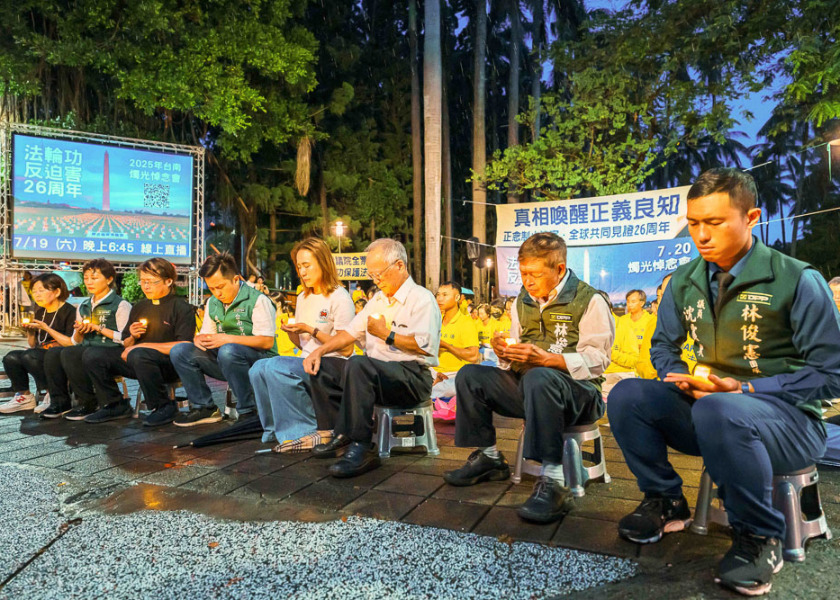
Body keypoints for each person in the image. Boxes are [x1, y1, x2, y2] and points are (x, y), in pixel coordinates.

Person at [608, 168, 839, 597]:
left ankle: (759, 537)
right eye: (694, 223)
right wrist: (678, 379)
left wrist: (747, 390)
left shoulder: (795, 280)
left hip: (790, 424)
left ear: (751, 218)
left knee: (722, 407)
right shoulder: (685, 280)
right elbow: (663, 346)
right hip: (711, 410)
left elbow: (832, 374)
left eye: (714, 222)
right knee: (627, 395)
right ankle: (664, 498)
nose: (701, 235)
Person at [443, 232, 614, 524]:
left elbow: (598, 361)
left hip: (580, 394)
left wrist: (550, 360)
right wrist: (504, 352)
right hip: (533, 387)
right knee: (471, 375)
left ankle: (554, 480)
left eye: (534, 274)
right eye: (522, 273)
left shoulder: (590, 300)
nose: (527, 281)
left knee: (540, 377)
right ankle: (489, 457)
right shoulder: (523, 300)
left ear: (559, 269)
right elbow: (516, 348)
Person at [302, 238, 441, 478]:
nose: (375, 280)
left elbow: (424, 347)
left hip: (411, 377)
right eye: (371, 274)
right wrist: (319, 351)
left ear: (399, 266)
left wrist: (386, 334)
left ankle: (362, 446)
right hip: (377, 373)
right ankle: (340, 433)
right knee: (324, 367)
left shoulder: (422, 299)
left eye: (379, 274)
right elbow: (349, 333)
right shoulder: (377, 300)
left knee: (358, 365)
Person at [249, 238, 355, 449]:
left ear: (323, 263)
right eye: (299, 266)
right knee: (258, 368)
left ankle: (304, 430)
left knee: (275, 366)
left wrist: (310, 329)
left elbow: (346, 347)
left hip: (332, 364)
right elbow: (303, 345)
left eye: (307, 265)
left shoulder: (339, 297)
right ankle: (272, 429)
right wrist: (292, 333)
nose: (302, 272)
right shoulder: (304, 297)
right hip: (307, 360)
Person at [82, 259, 196, 426]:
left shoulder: (181, 307)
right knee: (93, 355)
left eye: (151, 281)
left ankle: (163, 405)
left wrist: (141, 346)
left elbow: (184, 346)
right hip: (138, 361)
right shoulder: (140, 306)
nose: (145, 286)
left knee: (139, 354)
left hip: (170, 365)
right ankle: (115, 403)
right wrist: (133, 337)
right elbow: (127, 344)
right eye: (142, 281)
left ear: (169, 281)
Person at [170, 253, 277, 426]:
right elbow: (208, 335)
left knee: (228, 350)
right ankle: (204, 407)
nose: (217, 293)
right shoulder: (213, 302)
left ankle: (248, 411)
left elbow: (266, 342)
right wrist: (200, 340)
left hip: (259, 361)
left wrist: (226, 339)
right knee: (180, 350)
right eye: (211, 288)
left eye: (220, 286)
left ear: (235, 279)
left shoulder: (258, 300)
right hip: (226, 360)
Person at [41, 259, 132, 420]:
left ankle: (100, 402)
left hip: (113, 352)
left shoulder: (120, 305)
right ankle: (61, 401)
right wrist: (80, 332)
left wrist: (100, 329)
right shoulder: (84, 305)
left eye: (94, 278)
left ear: (109, 279)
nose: (89, 282)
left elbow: (125, 339)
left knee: (78, 354)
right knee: (55, 353)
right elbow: (75, 342)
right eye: (86, 278)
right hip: (87, 350)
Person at [0, 274, 76, 414]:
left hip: (61, 355)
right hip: (40, 352)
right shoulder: (40, 311)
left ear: (57, 292)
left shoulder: (70, 312)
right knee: (11, 357)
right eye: (34, 291)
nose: (37, 295)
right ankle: (24, 396)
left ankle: (52, 394)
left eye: (41, 291)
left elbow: (71, 343)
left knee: (31, 356)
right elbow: (33, 344)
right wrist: (29, 332)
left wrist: (46, 328)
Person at [432, 281, 480, 400]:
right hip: (433, 372)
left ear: (457, 297)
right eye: (438, 295)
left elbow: (473, 356)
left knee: (454, 386)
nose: (440, 299)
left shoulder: (466, 323)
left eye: (445, 295)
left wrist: (446, 346)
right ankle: (434, 387)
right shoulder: (435, 320)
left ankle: (431, 390)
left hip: (455, 374)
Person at [604, 289, 654, 381]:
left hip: (643, 368)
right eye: (628, 301)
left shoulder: (651, 321)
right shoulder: (622, 320)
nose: (629, 304)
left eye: (633, 301)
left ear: (642, 303)